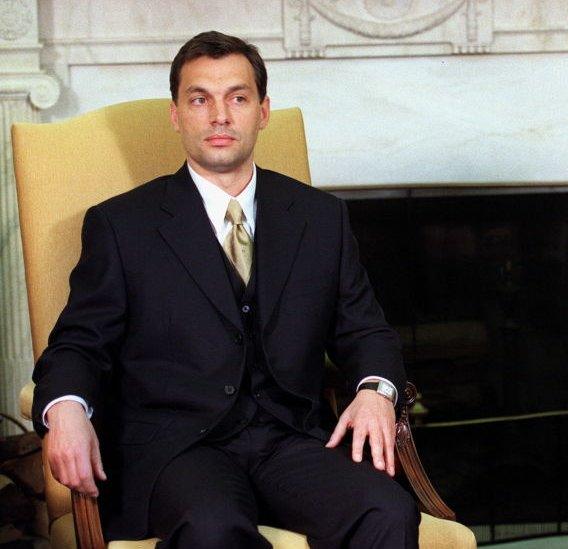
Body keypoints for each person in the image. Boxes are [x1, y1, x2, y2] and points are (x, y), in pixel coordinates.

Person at [31, 31, 418, 548]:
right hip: (179, 450)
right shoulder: (122, 225)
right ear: (176, 114)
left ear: (262, 111)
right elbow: (78, 342)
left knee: (387, 508)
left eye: (237, 97)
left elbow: (366, 329)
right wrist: (66, 407)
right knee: (213, 529)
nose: (219, 116)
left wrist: (376, 390)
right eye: (200, 99)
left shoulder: (319, 217)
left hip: (290, 440)